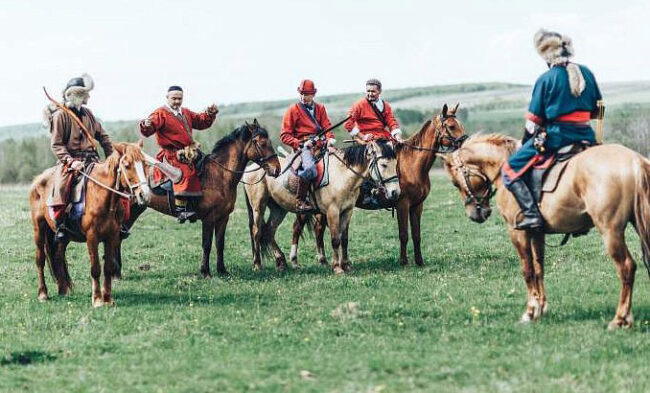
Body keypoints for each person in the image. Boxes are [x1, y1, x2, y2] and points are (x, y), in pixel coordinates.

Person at [501, 29, 603, 230]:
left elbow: (533, 122)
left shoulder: (547, 79)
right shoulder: (587, 73)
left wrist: (525, 141)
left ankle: (531, 215)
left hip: (557, 137)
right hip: (587, 136)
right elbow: (597, 109)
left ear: (546, 56)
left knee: (509, 170)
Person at [46, 73, 114, 241]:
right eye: (84, 94)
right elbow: (57, 144)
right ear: (74, 95)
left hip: (92, 160)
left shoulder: (89, 114)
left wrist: (113, 156)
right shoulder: (60, 116)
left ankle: (118, 222)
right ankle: (60, 224)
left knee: (116, 183)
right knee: (61, 187)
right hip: (71, 162)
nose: (88, 97)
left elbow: (103, 137)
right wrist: (70, 161)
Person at [139, 86, 218, 223]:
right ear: (167, 98)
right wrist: (145, 125)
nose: (177, 101)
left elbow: (200, 121)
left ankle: (204, 200)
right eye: (174, 98)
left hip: (189, 151)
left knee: (207, 164)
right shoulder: (160, 113)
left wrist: (209, 114)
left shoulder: (185, 112)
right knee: (186, 172)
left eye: (179, 98)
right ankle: (182, 209)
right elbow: (149, 128)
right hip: (171, 155)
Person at [280, 79, 336, 212]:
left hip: (321, 144)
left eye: (307, 94)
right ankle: (300, 201)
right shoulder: (292, 110)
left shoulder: (321, 108)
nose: (303, 97)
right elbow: (284, 136)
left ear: (313, 94)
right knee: (310, 169)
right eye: (302, 94)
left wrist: (330, 140)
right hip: (304, 147)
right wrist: (301, 143)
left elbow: (327, 127)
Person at [344, 78, 403, 142]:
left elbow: (391, 122)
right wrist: (362, 137)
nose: (370, 94)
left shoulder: (386, 105)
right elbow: (347, 123)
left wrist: (397, 136)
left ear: (380, 91)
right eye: (368, 91)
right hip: (367, 140)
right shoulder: (358, 105)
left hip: (383, 137)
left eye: (373, 91)